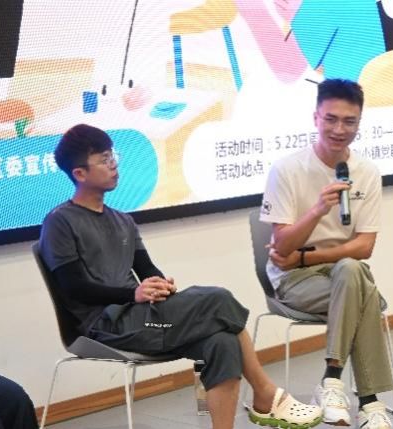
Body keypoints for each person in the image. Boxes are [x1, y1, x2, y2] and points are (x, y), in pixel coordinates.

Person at [38, 124, 322, 429]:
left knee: (223, 342)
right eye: (104, 160)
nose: (114, 165)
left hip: (141, 316)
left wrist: (161, 285)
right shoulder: (60, 222)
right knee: (218, 299)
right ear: (80, 174)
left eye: (113, 156)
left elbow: (146, 269)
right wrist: (132, 294)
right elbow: (73, 288)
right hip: (105, 325)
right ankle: (264, 392)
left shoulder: (123, 220)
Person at [259, 79, 393, 429]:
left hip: (336, 271)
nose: (339, 129)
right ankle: (370, 402)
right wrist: (318, 210)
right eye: (331, 119)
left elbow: (364, 247)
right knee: (362, 291)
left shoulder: (367, 172)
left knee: (351, 270)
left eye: (349, 121)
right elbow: (282, 248)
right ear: (315, 118)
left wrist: (305, 256)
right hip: (294, 280)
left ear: (359, 123)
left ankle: (332, 381)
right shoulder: (287, 169)